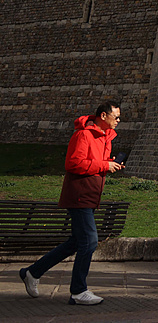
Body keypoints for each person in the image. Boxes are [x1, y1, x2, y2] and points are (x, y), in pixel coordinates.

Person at [20, 101, 124, 306]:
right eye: (116, 117)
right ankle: (78, 291)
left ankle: (32, 272)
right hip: (79, 195)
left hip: (90, 195)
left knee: (76, 242)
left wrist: (111, 164)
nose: (119, 121)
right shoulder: (83, 134)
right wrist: (104, 164)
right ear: (103, 116)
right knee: (90, 241)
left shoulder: (106, 138)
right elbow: (73, 163)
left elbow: (93, 163)